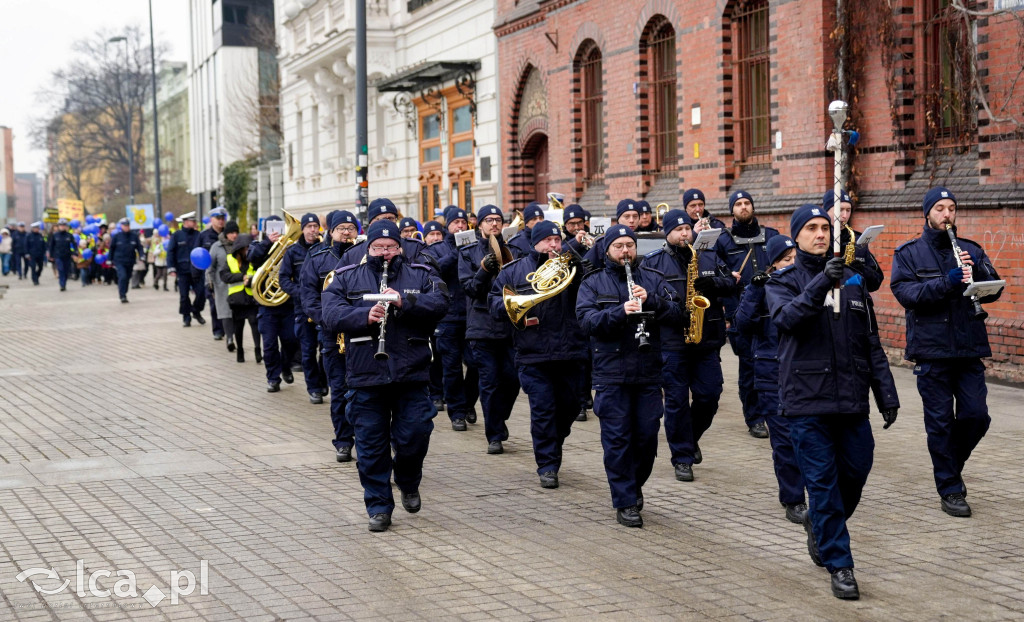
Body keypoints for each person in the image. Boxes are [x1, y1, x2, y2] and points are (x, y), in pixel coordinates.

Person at [765, 203, 900, 600]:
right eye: (811, 228)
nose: (821, 234)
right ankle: (841, 565)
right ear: (798, 235)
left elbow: (870, 341)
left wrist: (885, 393)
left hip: (852, 398)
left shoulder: (854, 281)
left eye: (825, 228)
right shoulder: (783, 280)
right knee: (822, 486)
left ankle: (820, 526)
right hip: (807, 401)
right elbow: (787, 319)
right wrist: (821, 282)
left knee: (857, 470)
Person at [321, 220, 450, 532]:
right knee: (370, 446)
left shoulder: (422, 273)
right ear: (369, 248)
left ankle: (408, 479)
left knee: (415, 435)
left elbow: (443, 302)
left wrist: (407, 301)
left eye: (391, 247)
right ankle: (379, 506)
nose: (385, 253)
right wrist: (363, 316)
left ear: (399, 247)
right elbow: (330, 314)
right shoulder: (346, 275)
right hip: (366, 373)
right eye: (378, 248)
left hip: (411, 372)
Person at [890, 187, 1003, 519]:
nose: (947, 214)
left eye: (952, 208)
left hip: (968, 349)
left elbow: (992, 289)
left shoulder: (970, 249)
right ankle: (951, 488)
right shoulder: (908, 253)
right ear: (927, 213)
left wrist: (977, 275)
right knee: (939, 424)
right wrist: (947, 282)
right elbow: (906, 294)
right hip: (931, 351)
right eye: (940, 208)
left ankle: (950, 465)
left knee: (976, 416)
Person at [576, 225, 682, 528]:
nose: (626, 251)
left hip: (648, 371)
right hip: (610, 373)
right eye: (619, 246)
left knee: (647, 438)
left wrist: (652, 302)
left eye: (630, 245)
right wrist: (619, 312)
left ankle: (633, 487)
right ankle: (625, 500)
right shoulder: (593, 282)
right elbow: (586, 321)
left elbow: (679, 314)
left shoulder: (653, 279)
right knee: (617, 440)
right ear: (608, 249)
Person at [641, 210, 736, 481]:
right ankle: (682, 457)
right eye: (679, 229)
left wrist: (712, 283)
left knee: (710, 394)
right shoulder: (653, 263)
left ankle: (690, 437)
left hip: (706, 339)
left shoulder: (707, 255)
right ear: (667, 232)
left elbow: (731, 283)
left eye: (687, 229)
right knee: (676, 401)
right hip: (671, 341)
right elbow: (649, 300)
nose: (685, 234)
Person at [489, 222, 586, 485]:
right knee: (543, 410)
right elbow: (495, 302)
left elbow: (590, 292)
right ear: (535, 243)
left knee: (570, 406)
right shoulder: (514, 270)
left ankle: (554, 440)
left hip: (571, 351)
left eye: (558, 239)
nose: (554, 245)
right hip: (533, 352)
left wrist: (578, 262)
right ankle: (547, 465)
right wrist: (514, 308)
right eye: (548, 240)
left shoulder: (573, 267)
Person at [735, 234, 806, 523]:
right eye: (786, 260)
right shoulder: (762, 287)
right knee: (784, 439)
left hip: (803, 370)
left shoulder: (806, 284)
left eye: (795, 259)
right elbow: (742, 324)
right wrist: (753, 291)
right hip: (770, 371)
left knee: (806, 437)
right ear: (773, 264)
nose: (792, 265)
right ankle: (794, 499)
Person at [711, 190, 781, 439]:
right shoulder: (722, 240)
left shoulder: (771, 235)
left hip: (772, 312)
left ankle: (777, 412)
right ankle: (754, 418)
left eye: (747, 203)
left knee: (776, 366)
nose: (743, 207)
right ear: (732, 210)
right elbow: (714, 276)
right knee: (749, 369)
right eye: (738, 204)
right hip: (741, 315)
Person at [459, 205, 522, 443]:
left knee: (513, 379)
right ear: (480, 224)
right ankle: (494, 435)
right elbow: (470, 289)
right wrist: (484, 271)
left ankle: (498, 418)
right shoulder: (467, 253)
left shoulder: (513, 250)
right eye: (489, 220)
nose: (494, 224)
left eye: (498, 220)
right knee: (490, 381)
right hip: (482, 327)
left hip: (509, 325)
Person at [301, 210, 359, 462]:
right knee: (339, 389)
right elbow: (309, 296)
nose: (346, 232)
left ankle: (369, 438)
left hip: (360, 331)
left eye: (351, 227)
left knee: (365, 389)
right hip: (332, 334)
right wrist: (329, 320)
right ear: (331, 231)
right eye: (341, 228)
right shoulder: (317, 257)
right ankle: (343, 441)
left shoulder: (365, 255)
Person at [423, 207, 480, 431]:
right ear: (448, 226)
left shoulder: (475, 246)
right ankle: (457, 412)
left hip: (472, 316)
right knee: (452, 367)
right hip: (447, 317)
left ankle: (468, 402)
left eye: (463, 223)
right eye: (455, 223)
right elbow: (435, 270)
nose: (460, 226)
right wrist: (457, 251)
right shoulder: (438, 248)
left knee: (476, 363)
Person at [280, 212, 329, 404]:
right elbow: (283, 279)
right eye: (309, 226)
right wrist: (301, 292)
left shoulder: (324, 249)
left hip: (322, 307)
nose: (313, 230)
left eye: (316, 226)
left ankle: (323, 381)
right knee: (308, 351)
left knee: (325, 348)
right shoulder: (292, 252)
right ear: (303, 229)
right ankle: (314, 388)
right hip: (302, 308)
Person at [248, 215, 298, 392]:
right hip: (266, 306)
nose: (275, 232)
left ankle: (285, 366)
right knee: (269, 344)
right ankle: (273, 378)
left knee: (291, 341)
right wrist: (268, 243)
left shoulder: (290, 248)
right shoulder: (257, 245)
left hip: (287, 304)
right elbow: (252, 257)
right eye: (271, 228)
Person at [823, 189, 884, 292]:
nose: (845, 216)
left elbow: (876, 282)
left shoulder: (858, 239)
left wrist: (861, 269)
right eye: (840, 209)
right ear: (826, 211)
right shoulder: (818, 240)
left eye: (848, 210)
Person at [220, 234, 261, 363]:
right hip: (236, 300)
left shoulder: (255, 260)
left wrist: (250, 280)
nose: (247, 251)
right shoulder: (230, 260)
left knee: (255, 324)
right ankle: (240, 351)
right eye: (244, 248)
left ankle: (258, 350)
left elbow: (261, 276)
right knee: (238, 327)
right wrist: (241, 277)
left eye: (249, 248)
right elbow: (224, 276)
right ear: (239, 249)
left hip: (251, 299)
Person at [167, 212, 207, 327]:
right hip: (183, 270)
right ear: (185, 222)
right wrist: (171, 268)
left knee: (201, 294)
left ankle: (196, 311)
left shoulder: (198, 235)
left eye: (194, 221)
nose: (195, 223)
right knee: (184, 296)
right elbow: (171, 252)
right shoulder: (177, 235)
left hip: (197, 270)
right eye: (192, 221)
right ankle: (186, 316)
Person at [208, 221, 240, 352]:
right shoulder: (217, 246)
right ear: (226, 234)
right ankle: (230, 338)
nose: (234, 235)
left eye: (236, 232)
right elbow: (210, 266)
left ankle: (237, 338)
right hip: (221, 285)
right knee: (225, 312)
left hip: (238, 283)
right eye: (231, 233)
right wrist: (209, 282)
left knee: (237, 313)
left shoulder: (240, 245)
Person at [199, 206, 230, 340]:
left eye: (223, 218)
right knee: (214, 304)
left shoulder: (229, 234)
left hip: (229, 276)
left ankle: (228, 329)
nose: (220, 221)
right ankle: (218, 330)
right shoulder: (203, 236)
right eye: (218, 218)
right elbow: (198, 255)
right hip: (211, 276)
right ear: (212, 219)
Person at [108, 218, 144, 303]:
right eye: (124, 226)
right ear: (121, 226)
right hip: (119, 261)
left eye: (127, 226)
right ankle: (122, 295)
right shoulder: (117, 236)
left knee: (127, 278)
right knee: (122, 276)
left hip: (130, 261)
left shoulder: (134, 236)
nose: (126, 227)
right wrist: (109, 259)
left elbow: (139, 247)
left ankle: (124, 292)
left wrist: (142, 255)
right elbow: (112, 248)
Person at [47, 219, 78, 291]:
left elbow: (74, 245)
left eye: (64, 225)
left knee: (66, 271)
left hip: (67, 256)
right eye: (61, 225)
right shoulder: (55, 235)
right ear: (58, 226)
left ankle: (64, 282)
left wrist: (75, 253)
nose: (62, 227)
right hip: (58, 256)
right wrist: (51, 256)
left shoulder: (69, 235)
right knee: (60, 269)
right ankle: (62, 285)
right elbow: (51, 246)